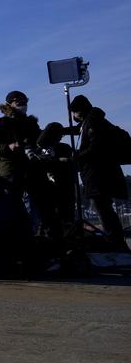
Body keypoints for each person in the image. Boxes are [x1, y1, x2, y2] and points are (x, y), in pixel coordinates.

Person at [69, 95, 129, 252]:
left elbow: (96, 147)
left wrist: (77, 156)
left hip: (98, 175)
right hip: (101, 174)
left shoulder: (92, 123)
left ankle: (115, 241)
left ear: (78, 111)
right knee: (104, 208)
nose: (73, 116)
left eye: (74, 112)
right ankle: (116, 240)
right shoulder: (94, 121)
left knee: (103, 208)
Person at [0, 91, 48, 234]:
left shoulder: (31, 123)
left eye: (25, 102)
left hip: (31, 170)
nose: (23, 105)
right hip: (10, 171)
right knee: (12, 206)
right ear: (9, 104)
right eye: (19, 102)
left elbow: (39, 142)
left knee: (34, 206)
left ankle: (31, 236)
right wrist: (8, 147)